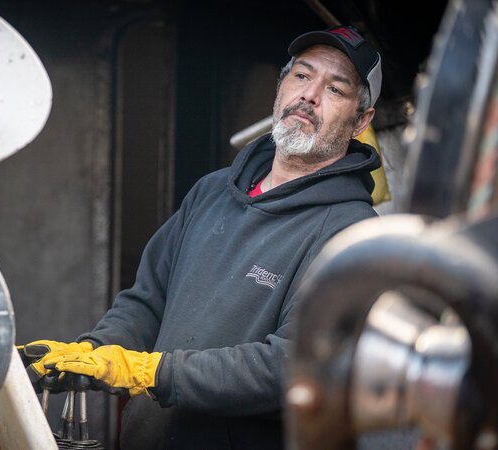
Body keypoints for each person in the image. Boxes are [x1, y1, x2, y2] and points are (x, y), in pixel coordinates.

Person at [20, 25, 382, 449]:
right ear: (282, 85)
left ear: (361, 121)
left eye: (335, 89)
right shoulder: (212, 192)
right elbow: (146, 303)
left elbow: (295, 367)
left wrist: (153, 373)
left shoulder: (353, 235)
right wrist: (96, 354)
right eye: (302, 75)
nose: (310, 94)